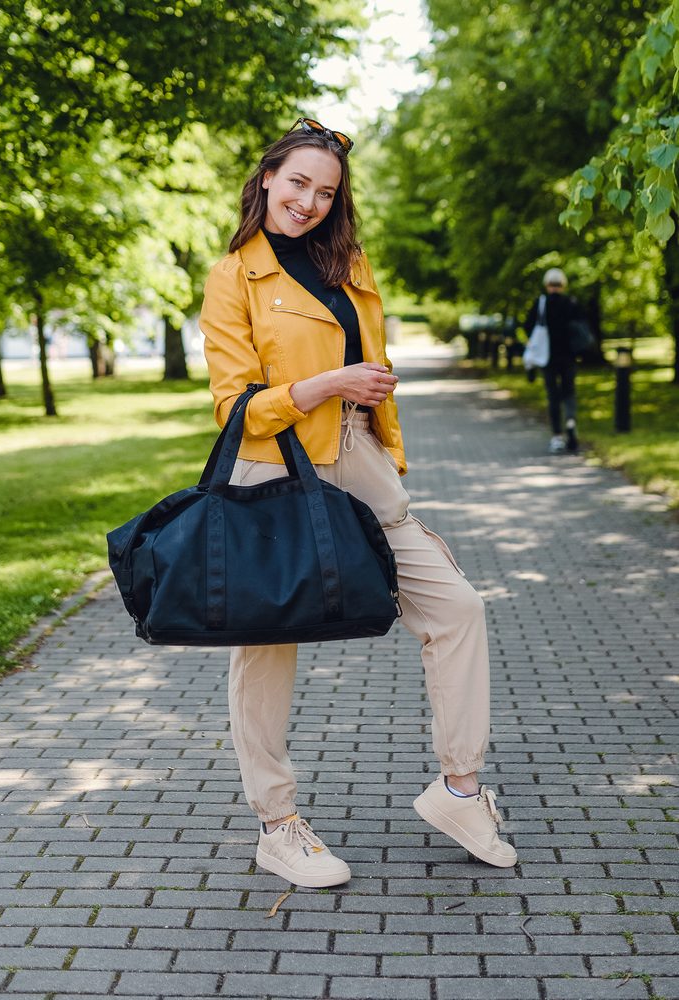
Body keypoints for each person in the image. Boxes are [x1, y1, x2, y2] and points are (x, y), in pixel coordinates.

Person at [199, 117, 517, 889]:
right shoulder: (233, 275)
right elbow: (232, 406)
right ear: (268, 178)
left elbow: (374, 363)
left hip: (361, 462)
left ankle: (460, 790)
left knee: (456, 609)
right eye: (298, 182)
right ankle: (278, 825)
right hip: (276, 471)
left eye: (326, 191)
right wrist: (328, 386)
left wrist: (386, 446)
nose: (308, 200)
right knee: (266, 651)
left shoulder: (349, 264)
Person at [523, 268, 582, 454]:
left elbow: (528, 327)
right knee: (569, 392)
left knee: (553, 396)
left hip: (547, 357)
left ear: (547, 285)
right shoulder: (571, 303)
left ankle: (557, 436)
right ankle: (570, 421)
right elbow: (582, 329)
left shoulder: (541, 304)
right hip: (569, 357)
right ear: (563, 285)